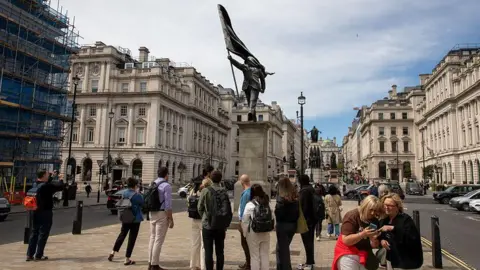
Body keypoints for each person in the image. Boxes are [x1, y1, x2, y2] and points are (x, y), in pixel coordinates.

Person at [332, 195, 382, 270]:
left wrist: (374, 240)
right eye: (371, 210)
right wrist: (362, 234)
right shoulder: (352, 215)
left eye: (375, 210)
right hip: (347, 252)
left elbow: (374, 245)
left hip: (363, 253)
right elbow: (346, 240)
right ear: (364, 206)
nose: (372, 213)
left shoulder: (374, 220)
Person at [26, 169, 65, 261]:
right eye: (47, 174)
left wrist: (52, 176)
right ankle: (39, 255)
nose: (49, 175)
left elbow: (46, 183)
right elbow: (60, 187)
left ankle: (29, 255)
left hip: (35, 211)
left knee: (34, 233)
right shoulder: (47, 187)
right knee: (43, 233)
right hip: (45, 212)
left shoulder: (35, 184)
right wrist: (61, 179)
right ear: (43, 175)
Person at [379, 193, 423, 270]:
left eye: (390, 205)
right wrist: (382, 240)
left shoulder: (405, 220)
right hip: (391, 260)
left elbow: (412, 238)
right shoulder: (384, 220)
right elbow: (381, 235)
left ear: (397, 207)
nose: (386, 207)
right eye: (385, 204)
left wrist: (393, 228)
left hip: (405, 262)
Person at [198, 170, 231, 270]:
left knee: (208, 251)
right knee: (220, 251)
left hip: (208, 224)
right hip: (220, 225)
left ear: (211, 179)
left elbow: (200, 207)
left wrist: (205, 217)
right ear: (220, 179)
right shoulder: (224, 191)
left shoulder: (206, 190)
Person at [108, 177, 144, 265]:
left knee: (122, 235)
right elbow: (143, 203)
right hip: (135, 219)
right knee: (132, 238)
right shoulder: (137, 195)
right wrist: (139, 193)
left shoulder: (124, 193)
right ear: (135, 185)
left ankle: (113, 252)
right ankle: (127, 258)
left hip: (125, 217)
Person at [148, 167, 174, 270]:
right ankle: (155, 264)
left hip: (151, 212)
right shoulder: (166, 186)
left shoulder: (152, 183)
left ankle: (150, 262)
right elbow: (168, 204)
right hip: (161, 213)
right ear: (166, 175)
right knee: (158, 239)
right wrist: (171, 218)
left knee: (152, 238)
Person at [242, 184, 271, 270]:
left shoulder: (250, 205)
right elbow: (272, 217)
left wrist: (245, 233)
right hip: (265, 232)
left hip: (253, 232)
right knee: (265, 255)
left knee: (254, 256)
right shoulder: (266, 203)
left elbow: (245, 220)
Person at [275, 177, 299, 270]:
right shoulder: (295, 196)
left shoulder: (281, 198)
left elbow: (279, 214)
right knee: (280, 249)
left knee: (283, 251)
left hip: (282, 225)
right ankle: (280, 267)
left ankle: (285, 267)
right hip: (292, 225)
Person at [298, 174, 317, 269]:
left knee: (307, 242)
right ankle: (310, 261)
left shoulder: (304, 191)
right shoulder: (311, 189)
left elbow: (303, 207)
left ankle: (309, 263)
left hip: (306, 220)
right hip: (312, 219)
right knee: (310, 241)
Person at [189, 178, 205, 270]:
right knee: (204, 244)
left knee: (195, 243)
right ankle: (203, 266)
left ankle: (193, 265)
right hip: (202, 219)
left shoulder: (192, 192)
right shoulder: (203, 191)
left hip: (194, 218)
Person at [238, 174, 252, 270]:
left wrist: (240, 222)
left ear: (242, 182)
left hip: (245, 222)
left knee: (245, 243)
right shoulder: (252, 191)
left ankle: (248, 264)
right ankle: (249, 262)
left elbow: (243, 210)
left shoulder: (246, 193)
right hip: (252, 221)